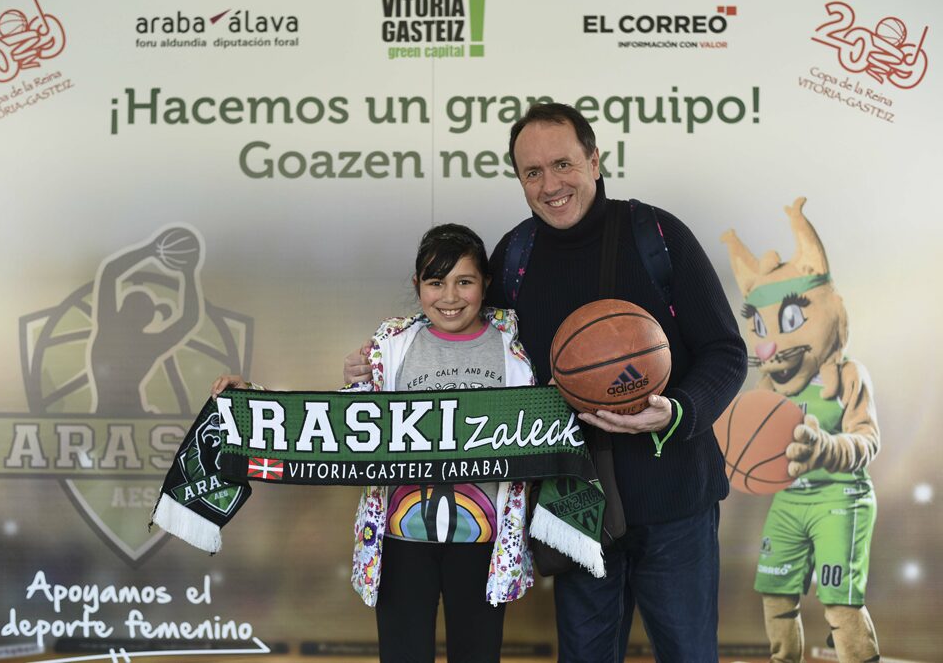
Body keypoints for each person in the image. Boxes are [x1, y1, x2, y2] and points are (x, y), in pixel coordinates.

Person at [345, 103, 747, 662]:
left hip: (675, 499)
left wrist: (677, 412)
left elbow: (727, 352)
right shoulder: (516, 255)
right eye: (532, 172)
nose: (550, 184)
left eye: (563, 164)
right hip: (572, 506)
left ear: (595, 160)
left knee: (688, 654)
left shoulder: (657, 235)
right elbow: (464, 335)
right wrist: (375, 364)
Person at [218, 224, 535, 663]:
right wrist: (248, 401)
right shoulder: (390, 348)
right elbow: (335, 428)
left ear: (485, 284)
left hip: (483, 542)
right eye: (435, 282)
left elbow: (547, 431)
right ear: (417, 287)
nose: (449, 296)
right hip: (400, 539)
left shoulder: (514, 351)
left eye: (464, 281)